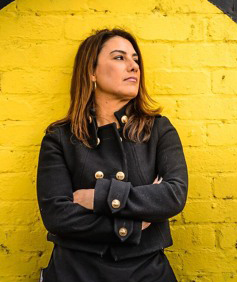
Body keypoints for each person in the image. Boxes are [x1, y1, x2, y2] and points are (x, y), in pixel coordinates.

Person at [36, 28, 188, 281]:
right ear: (91, 72)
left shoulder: (159, 130)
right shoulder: (59, 138)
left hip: (146, 272)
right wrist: (132, 225)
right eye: (119, 58)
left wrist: (98, 197)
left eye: (135, 60)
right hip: (74, 273)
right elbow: (57, 215)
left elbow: (173, 195)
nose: (133, 67)